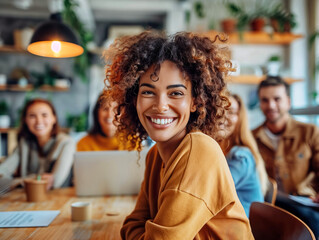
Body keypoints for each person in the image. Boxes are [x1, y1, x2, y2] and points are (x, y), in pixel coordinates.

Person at [104, 31, 254, 239]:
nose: (160, 106)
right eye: (148, 92)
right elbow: (133, 223)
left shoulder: (199, 151)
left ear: (195, 101)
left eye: (176, 93)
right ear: (134, 99)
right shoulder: (155, 155)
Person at [253, 76, 319, 236]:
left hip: (305, 204)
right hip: (269, 207)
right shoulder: (251, 138)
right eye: (265, 100)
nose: (271, 105)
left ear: (288, 101)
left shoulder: (310, 132)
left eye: (277, 99)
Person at [0, 98, 75, 190]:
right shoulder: (24, 143)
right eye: (32, 116)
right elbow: (1, 174)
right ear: (25, 120)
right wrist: (27, 180)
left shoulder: (66, 142)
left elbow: (55, 182)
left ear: (54, 118)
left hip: (59, 199)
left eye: (44, 115)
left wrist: (17, 182)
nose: (39, 121)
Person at [218, 94, 268, 217]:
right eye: (219, 109)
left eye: (231, 112)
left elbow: (214, 191)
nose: (223, 115)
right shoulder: (220, 151)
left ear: (240, 119)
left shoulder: (240, 156)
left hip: (240, 230)